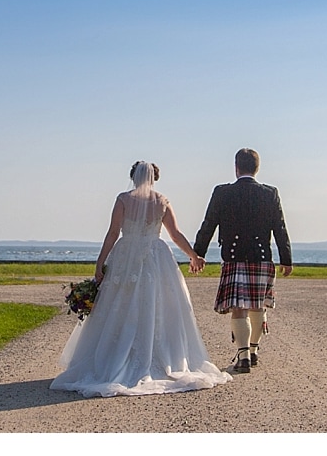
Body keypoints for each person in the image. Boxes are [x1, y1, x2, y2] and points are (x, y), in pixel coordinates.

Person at [51, 161, 232, 397]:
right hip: (156, 256)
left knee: (122, 304)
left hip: (126, 255)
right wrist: (193, 256)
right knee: (157, 304)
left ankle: (115, 358)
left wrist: (100, 263)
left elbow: (113, 233)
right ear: (154, 179)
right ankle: (159, 356)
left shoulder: (123, 199)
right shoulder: (162, 201)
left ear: (133, 178)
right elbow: (175, 235)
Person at [193, 148, 292, 374]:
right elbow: (280, 228)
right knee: (257, 305)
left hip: (234, 257)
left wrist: (198, 253)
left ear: (236, 167)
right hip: (262, 257)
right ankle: (254, 350)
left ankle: (244, 355)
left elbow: (209, 224)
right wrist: (286, 258)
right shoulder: (270, 193)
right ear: (257, 168)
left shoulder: (222, 192)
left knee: (239, 307)